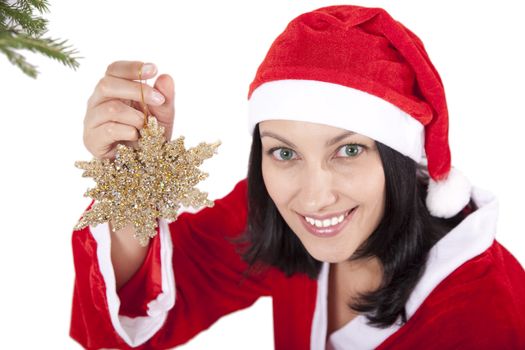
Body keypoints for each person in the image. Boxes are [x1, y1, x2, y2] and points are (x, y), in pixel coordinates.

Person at [70, 4, 525, 349]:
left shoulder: (488, 315)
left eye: (349, 150)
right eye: (284, 152)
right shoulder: (271, 209)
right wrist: (131, 181)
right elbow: (151, 308)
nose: (313, 197)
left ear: (403, 157)